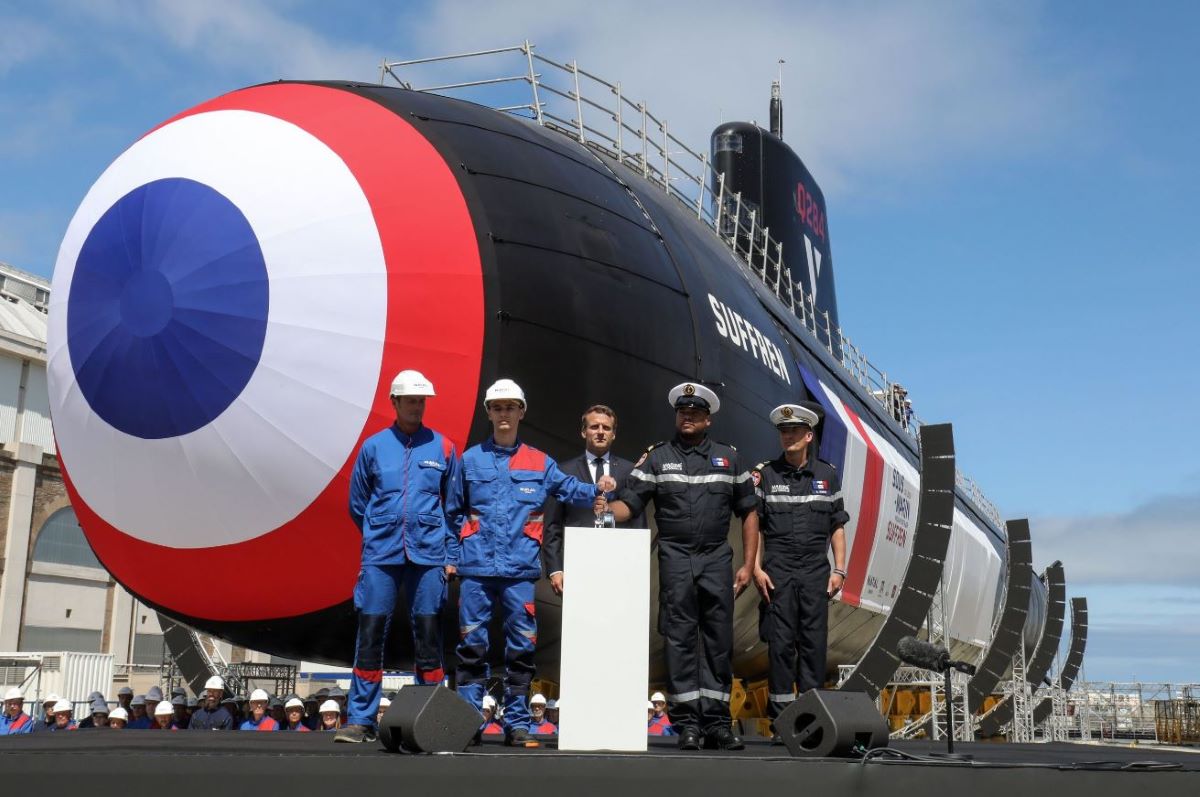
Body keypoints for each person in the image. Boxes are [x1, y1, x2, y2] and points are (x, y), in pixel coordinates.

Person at [453, 379, 614, 747]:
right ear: (488, 413)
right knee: (471, 648)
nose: (504, 413)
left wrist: (599, 490)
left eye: (511, 407)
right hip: (476, 569)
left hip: (519, 572)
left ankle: (517, 724)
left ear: (521, 412)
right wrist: (450, 559)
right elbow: (452, 511)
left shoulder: (540, 462)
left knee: (521, 649)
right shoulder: (469, 461)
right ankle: (468, 721)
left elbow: (570, 489)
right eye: (497, 407)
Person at [607, 382, 758, 751]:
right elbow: (631, 504)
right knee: (680, 640)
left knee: (718, 641)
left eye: (694, 413)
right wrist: (602, 510)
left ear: (707, 419)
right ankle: (687, 723)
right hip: (675, 558)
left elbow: (749, 512)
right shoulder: (658, 458)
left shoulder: (729, 458)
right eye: (682, 413)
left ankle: (719, 724)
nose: (687, 418)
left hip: (716, 558)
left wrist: (749, 564)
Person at [337, 369, 463, 744]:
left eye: (421, 401)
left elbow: (454, 510)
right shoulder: (373, 447)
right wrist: (380, 532)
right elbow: (357, 504)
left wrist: (450, 554)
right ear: (394, 402)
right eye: (410, 400)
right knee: (371, 632)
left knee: (428, 633)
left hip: (428, 556)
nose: (416, 406)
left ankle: (430, 715)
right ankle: (360, 720)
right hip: (382, 554)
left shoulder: (443, 447)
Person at [751, 404, 849, 735]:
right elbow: (757, 525)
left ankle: (809, 721)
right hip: (777, 568)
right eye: (783, 431)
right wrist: (754, 567)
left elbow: (837, 525)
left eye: (794, 431)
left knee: (813, 644)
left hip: (814, 570)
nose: (787, 436)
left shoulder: (827, 475)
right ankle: (782, 721)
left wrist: (840, 570)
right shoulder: (765, 475)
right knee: (780, 645)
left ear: (808, 436)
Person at [542, 404, 646, 595]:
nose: (600, 432)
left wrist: (638, 567)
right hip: (577, 564)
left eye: (606, 428)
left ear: (613, 434)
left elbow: (638, 523)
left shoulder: (629, 471)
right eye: (594, 427)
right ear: (583, 431)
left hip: (621, 565)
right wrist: (555, 569)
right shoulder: (563, 471)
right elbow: (552, 525)